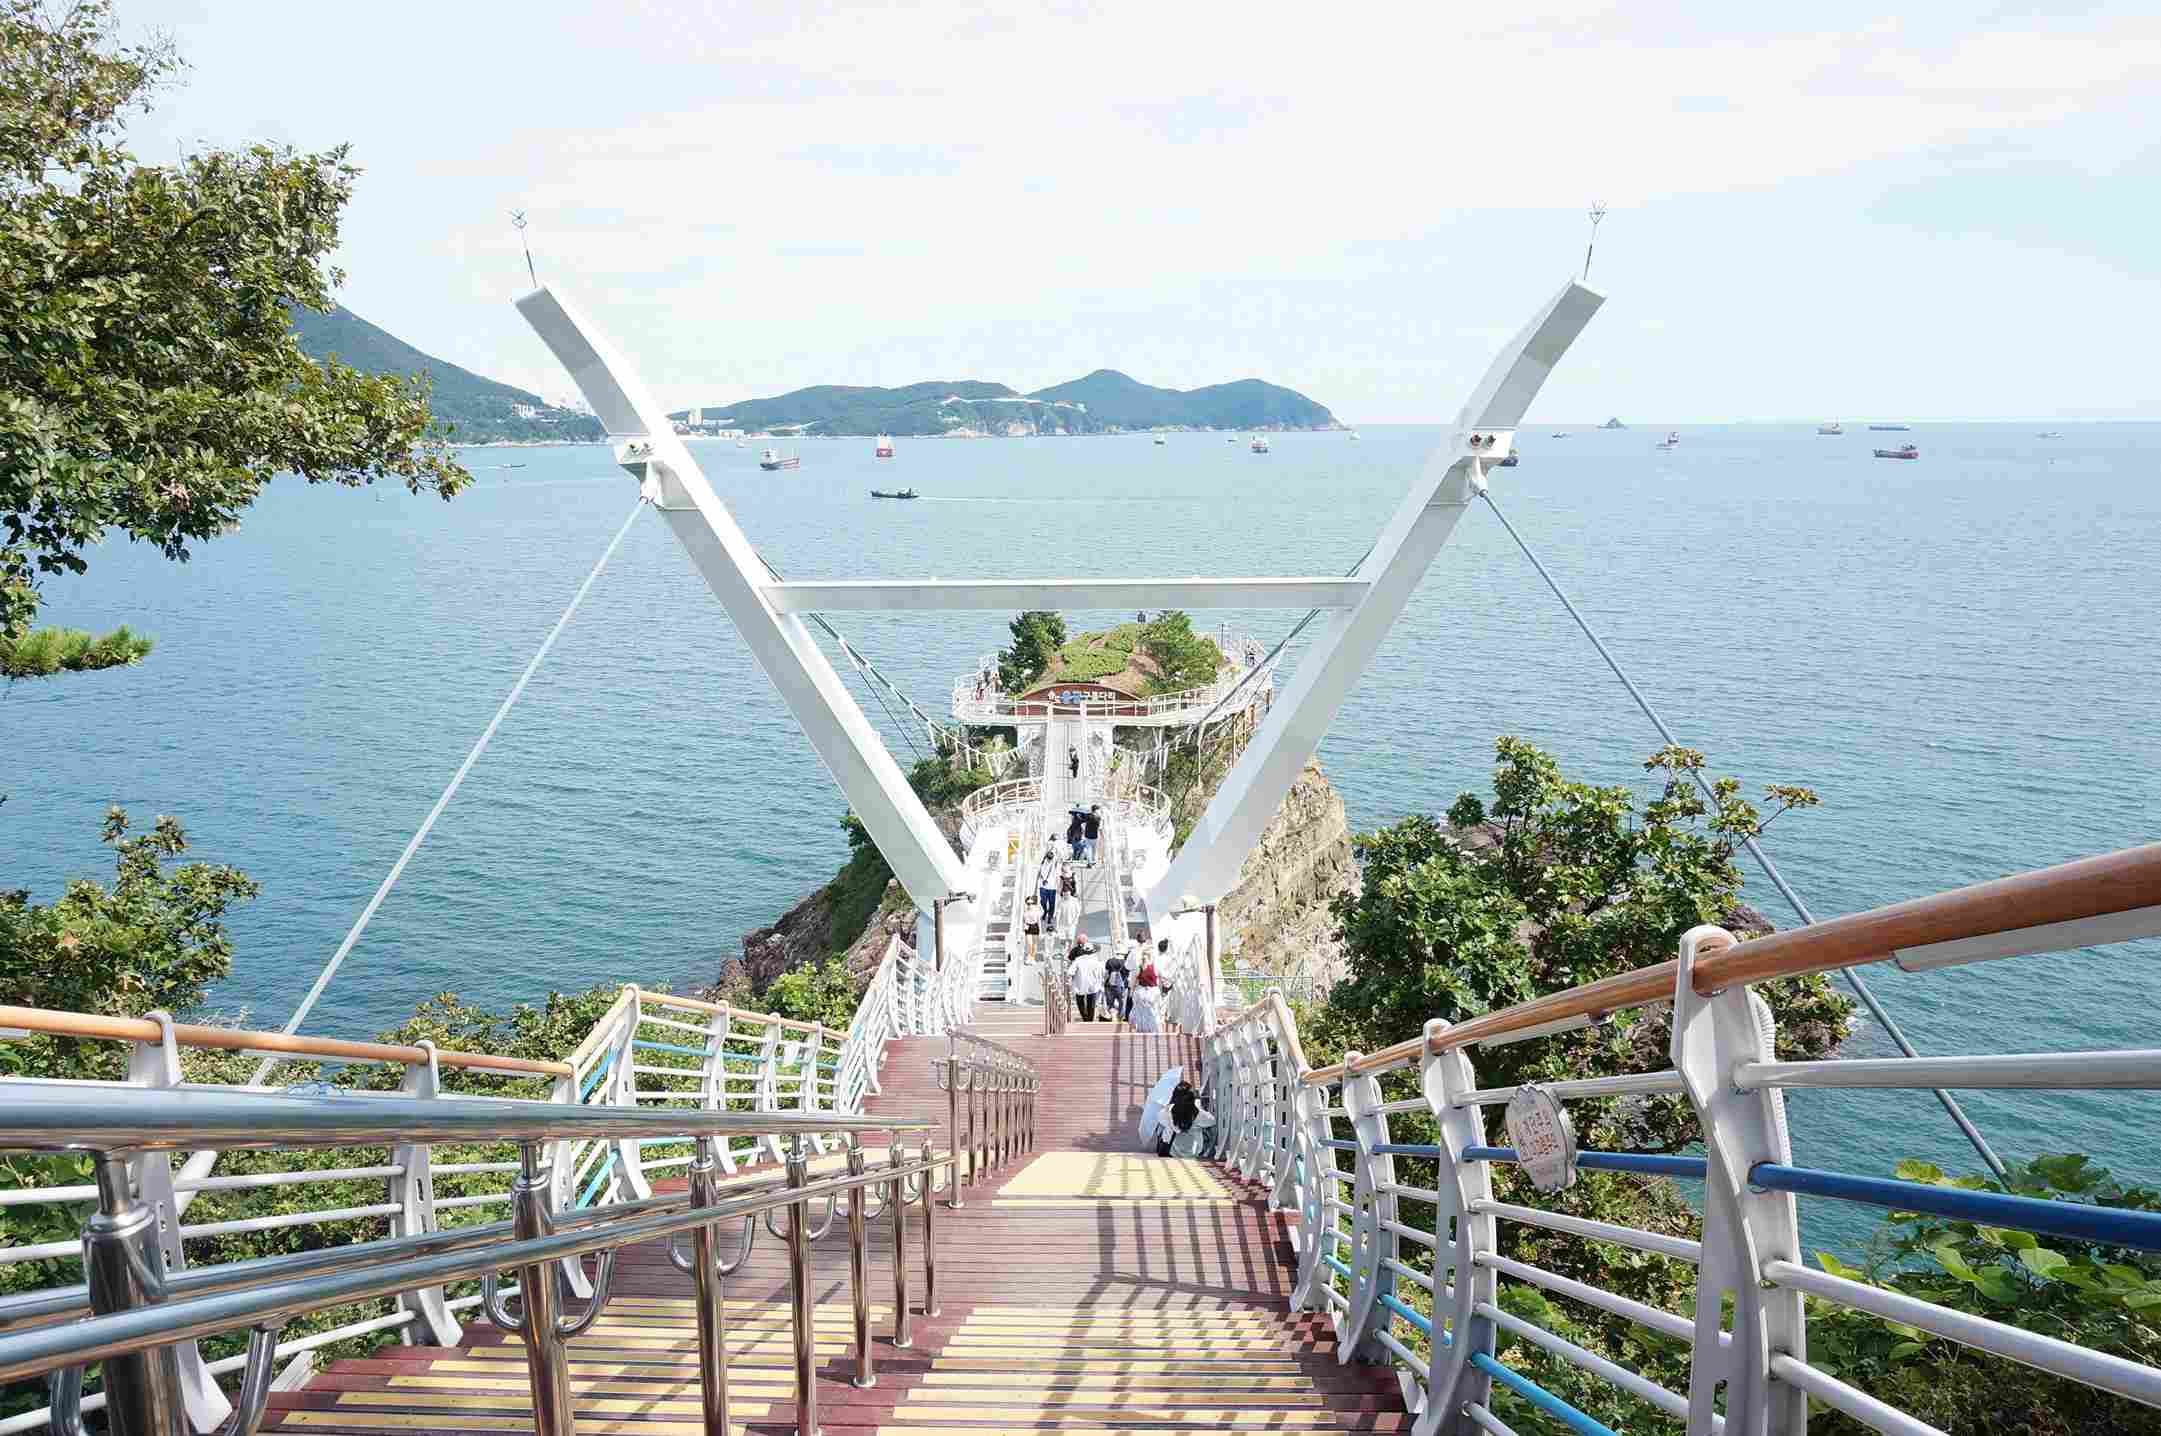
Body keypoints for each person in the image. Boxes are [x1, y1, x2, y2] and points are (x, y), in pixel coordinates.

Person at [1155, 1081, 1217, 1158]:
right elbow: (1212, 1121)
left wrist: (1168, 1105)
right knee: (1208, 1128)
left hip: (1172, 1152)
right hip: (1193, 1152)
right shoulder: (1198, 1114)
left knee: (1161, 1126)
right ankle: (1209, 1151)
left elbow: (1159, 1117)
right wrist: (1200, 1107)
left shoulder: (1166, 1111)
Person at [1067, 937, 1105, 1023]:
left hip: (1080, 985)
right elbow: (1102, 972)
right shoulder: (1096, 960)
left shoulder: (1078, 960)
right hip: (1093, 985)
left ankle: (1084, 1017)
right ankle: (1090, 1020)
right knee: (1091, 1004)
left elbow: (1069, 972)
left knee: (1080, 1002)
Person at [1102, 941, 1133, 1024]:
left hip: (1110, 985)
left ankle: (1113, 1016)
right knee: (1122, 1003)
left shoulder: (1110, 961)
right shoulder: (1126, 962)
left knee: (1110, 1003)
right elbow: (1129, 976)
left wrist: (1104, 983)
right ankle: (1120, 1019)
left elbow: (1105, 974)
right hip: (1123, 986)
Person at [1130, 956, 1163, 1034]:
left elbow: (1134, 981)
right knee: (1153, 1010)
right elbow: (1161, 977)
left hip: (1141, 991)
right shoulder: (1155, 966)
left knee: (1140, 1011)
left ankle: (1141, 1028)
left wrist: (1132, 991)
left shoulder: (1139, 967)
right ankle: (1154, 1027)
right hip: (1152, 991)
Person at [1036, 847, 1059, 929]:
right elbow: (1039, 873)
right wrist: (1037, 885)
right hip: (1043, 885)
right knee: (1043, 901)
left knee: (1052, 903)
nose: (1049, 859)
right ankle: (1045, 911)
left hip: (1052, 887)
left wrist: (1058, 886)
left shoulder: (1055, 863)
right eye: (1048, 858)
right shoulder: (1042, 862)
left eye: (1050, 858)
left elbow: (1057, 875)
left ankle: (1050, 917)